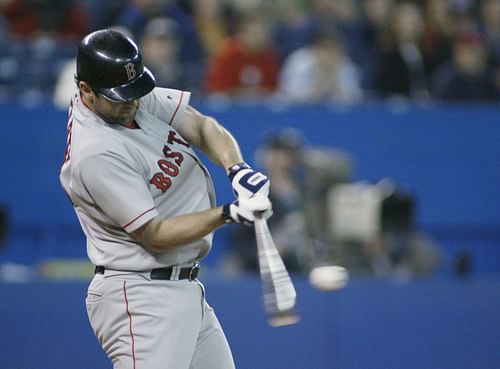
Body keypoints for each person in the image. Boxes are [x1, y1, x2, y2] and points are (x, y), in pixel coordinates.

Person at [59, 29, 272, 369]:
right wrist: (228, 213)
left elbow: (201, 126)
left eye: (134, 90)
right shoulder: (96, 152)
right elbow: (153, 234)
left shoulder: (126, 99)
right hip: (141, 297)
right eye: (119, 96)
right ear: (86, 90)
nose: (131, 101)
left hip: (182, 287)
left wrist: (237, 169)